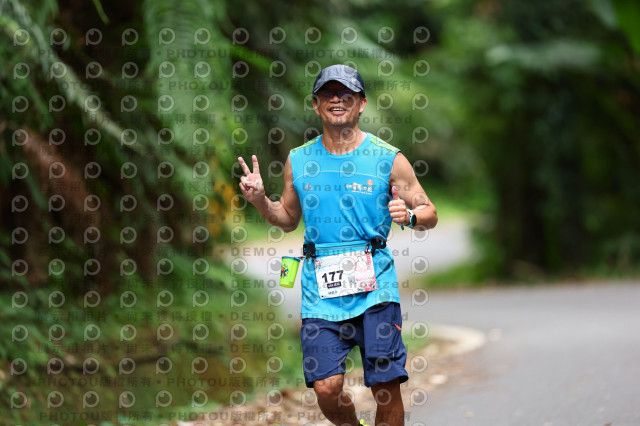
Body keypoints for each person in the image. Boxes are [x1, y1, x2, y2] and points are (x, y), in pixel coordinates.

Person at [237, 64, 437, 426]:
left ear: (361, 103)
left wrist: (409, 216)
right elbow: (287, 218)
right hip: (320, 290)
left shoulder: (388, 158)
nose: (336, 99)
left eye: (346, 93)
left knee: (385, 385)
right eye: (327, 93)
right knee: (326, 388)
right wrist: (261, 201)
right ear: (316, 105)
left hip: (376, 287)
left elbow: (429, 212)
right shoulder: (299, 160)